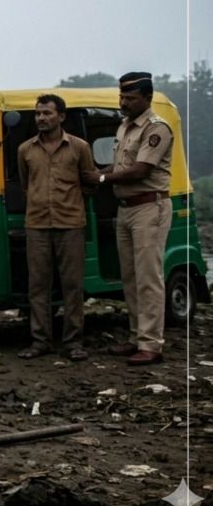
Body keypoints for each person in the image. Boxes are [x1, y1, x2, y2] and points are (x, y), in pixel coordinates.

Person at [83, 72, 173, 365]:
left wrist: (102, 177)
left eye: (131, 98)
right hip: (126, 208)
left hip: (149, 207)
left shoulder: (156, 128)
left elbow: (140, 170)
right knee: (130, 277)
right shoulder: (124, 127)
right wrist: (96, 172)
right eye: (122, 97)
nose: (124, 102)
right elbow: (121, 164)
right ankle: (136, 336)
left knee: (148, 277)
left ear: (147, 98)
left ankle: (151, 344)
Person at [17, 94, 96, 361]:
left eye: (47, 113)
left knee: (72, 285)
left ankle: (73, 343)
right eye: (38, 113)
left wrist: (69, 203)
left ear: (61, 116)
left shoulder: (79, 148)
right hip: (37, 224)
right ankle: (40, 342)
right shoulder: (25, 150)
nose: (41, 118)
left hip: (71, 224)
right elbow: (26, 184)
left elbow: (88, 182)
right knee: (37, 286)